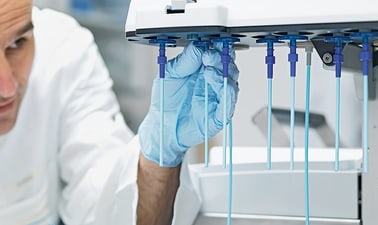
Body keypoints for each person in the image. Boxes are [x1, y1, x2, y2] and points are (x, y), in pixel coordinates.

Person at [0, 0, 239, 225]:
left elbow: (104, 203)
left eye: (16, 44)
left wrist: (159, 156)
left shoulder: (61, 54)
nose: (7, 88)